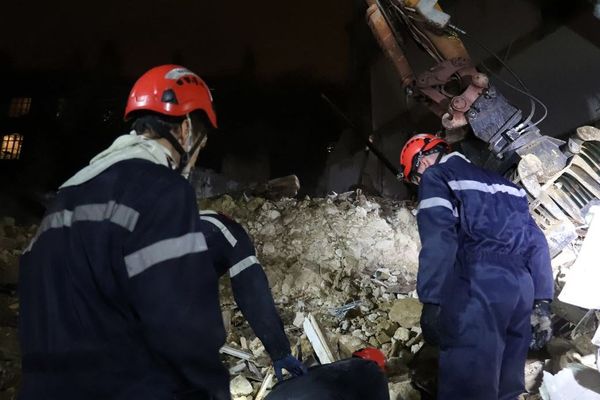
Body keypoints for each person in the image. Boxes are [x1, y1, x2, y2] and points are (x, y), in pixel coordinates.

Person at [19, 65, 230, 400]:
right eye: (201, 145)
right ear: (187, 129)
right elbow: (182, 323)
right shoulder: (162, 191)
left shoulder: (62, 202)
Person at [399, 133, 554, 400]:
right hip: (520, 291)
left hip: (478, 286)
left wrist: (433, 300)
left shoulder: (438, 177)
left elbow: (440, 240)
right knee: (506, 387)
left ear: (422, 162)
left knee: (468, 389)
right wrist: (542, 300)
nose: (418, 182)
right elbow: (537, 243)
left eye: (415, 176)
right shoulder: (508, 186)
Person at [198, 210, 306, 381]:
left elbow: (251, 291)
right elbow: (252, 291)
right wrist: (279, 351)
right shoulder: (229, 235)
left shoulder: (220, 235)